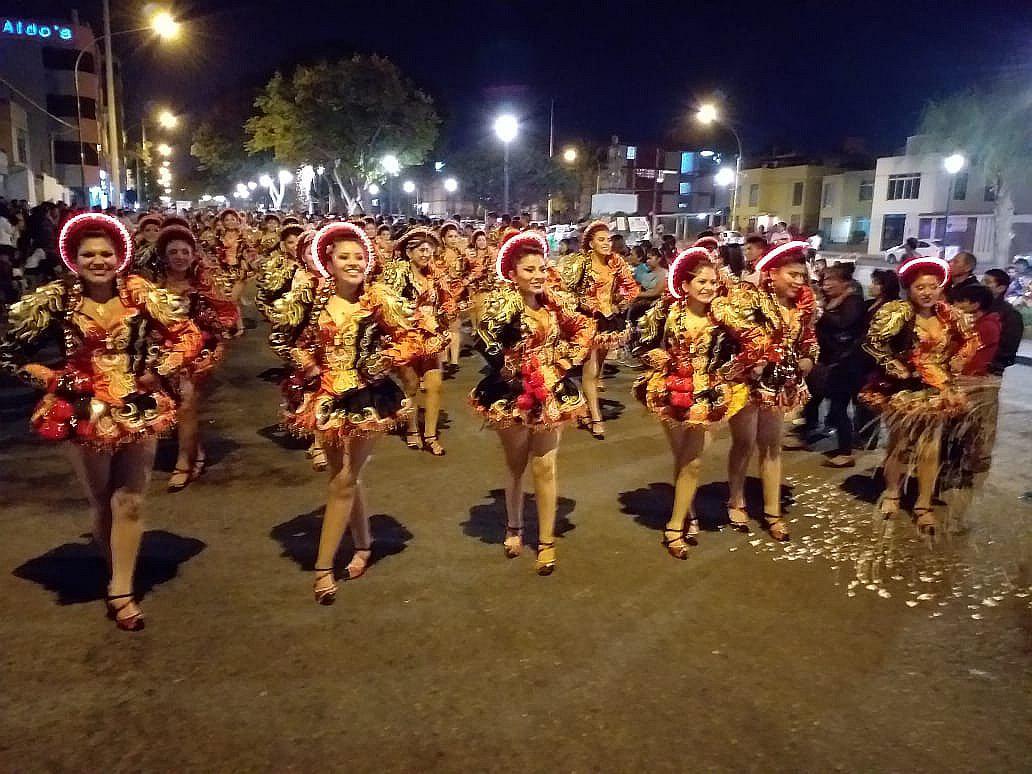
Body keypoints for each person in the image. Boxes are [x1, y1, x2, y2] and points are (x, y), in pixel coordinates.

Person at [0, 213, 202, 630]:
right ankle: (116, 568)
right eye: (88, 253)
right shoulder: (56, 299)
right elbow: (9, 353)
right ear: (72, 258)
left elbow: (188, 335)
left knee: (130, 499)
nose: (98, 260)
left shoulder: (141, 293)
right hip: (82, 408)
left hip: (136, 405)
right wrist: (56, 378)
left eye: (106, 253)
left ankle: (121, 589)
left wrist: (158, 367)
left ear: (120, 255)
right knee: (103, 499)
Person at [267, 222, 435, 604]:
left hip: (367, 399)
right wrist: (308, 366)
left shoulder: (377, 299)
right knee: (343, 476)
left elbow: (412, 338)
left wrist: (381, 361)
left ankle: (323, 567)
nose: (354, 263)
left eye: (360, 257)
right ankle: (363, 544)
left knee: (344, 479)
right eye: (345, 257)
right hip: (325, 395)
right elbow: (282, 337)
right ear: (328, 260)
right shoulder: (312, 298)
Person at [470, 231, 593, 575]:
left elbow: (584, 329)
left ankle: (547, 540)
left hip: (551, 391)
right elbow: (483, 337)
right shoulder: (502, 304)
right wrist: (509, 367)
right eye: (528, 269)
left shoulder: (555, 303)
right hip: (511, 394)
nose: (538, 275)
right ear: (512, 274)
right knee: (516, 464)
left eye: (541, 267)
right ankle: (514, 525)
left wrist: (566, 362)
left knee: (546, 466)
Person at [629, 247, 749, 558]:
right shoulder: (667, 312)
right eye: (702, 282)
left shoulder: (722, 315)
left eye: (713, 282)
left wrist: (733, 367)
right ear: (685, 285)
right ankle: (688, 512)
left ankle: (674, 524)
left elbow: (750, 341)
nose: (709, 288)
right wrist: (655, 357)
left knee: (693, 461)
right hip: (669, 390)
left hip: (707, 393)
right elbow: (638, 339)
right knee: (682, 457)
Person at [860, 255, 977, 538]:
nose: (927, 292)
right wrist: (894, 366)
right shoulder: (897, 312)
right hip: (904, 389)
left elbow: (971, 339)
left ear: (941, 288)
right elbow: (872, 343)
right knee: (898, 444)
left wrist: (959, 359)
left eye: (933, 286)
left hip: (937, 389)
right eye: (920, 287)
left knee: (930, 448)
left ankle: (923, 505)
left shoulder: (948, 314)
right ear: (909, 290)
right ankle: (892, 493)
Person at [721, 241, 818, 541]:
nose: (799, 281)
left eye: (802, 276)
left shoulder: (803, 309)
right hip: (748, 384)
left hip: (781, 386)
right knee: (745, 442)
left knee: (772, 446)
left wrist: (807, 360)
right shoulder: (751, 301)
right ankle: (736, 499)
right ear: (772, 273)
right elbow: (732, 333)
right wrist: (753, 361)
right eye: (793, 274)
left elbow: (810, 342)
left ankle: (772, 511)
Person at [152, 225, 241, 491]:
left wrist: (211, 343)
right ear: (164, 256)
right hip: (160, 355)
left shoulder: (202, 286)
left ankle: (183, 462)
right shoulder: (150, 287)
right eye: (173, 252)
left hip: (195, 354)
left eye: (184, 251)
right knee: (172, 407)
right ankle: (196, 452)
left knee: (186, 399)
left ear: (193, 255)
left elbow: (223, 317)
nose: (179, 256)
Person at [558, 220, 639, 439]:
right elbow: (564, 289)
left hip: (608, 321)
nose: (607, 243)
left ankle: (584, 406)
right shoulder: (580, 263)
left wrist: (619, 303)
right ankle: (596, 417)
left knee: (597, 369)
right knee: (590, 371)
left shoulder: (616, 262)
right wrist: (582, 302)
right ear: (591, 243)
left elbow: (632, 287)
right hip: (585, 322)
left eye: (609, 239)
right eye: (601, 240)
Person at [381, 226, 457, 456]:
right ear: (409, 252)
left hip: (431, 337)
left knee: (435, 386)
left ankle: (431, 436)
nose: (426, 254)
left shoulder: (435, 275)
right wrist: (416, 319)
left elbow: (446, 303)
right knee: (412, 386)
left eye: (429, 250)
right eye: (421, 250)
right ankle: (412, 428)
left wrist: (447, 315)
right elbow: (389, 306)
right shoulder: (397, 274)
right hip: (406, 336)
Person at [787, 263, 867, 467]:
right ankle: (806, 434)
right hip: (825, 361)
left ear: (845, 283)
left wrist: (820, 314)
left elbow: (844, 323)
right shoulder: (829, 300)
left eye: (832, 280)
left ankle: (845, 452)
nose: (826, 284)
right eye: (825, 280)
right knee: (812, 398)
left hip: (844, 364)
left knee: (839, 407)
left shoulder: (853, 301)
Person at [982, 268, 1024, 374]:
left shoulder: (1010, 315)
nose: (982, 285)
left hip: (992, 369)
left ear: (1001, 288)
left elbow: (1008, 349)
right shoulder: (978, 307)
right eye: (982, 281)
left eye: (987, 282)